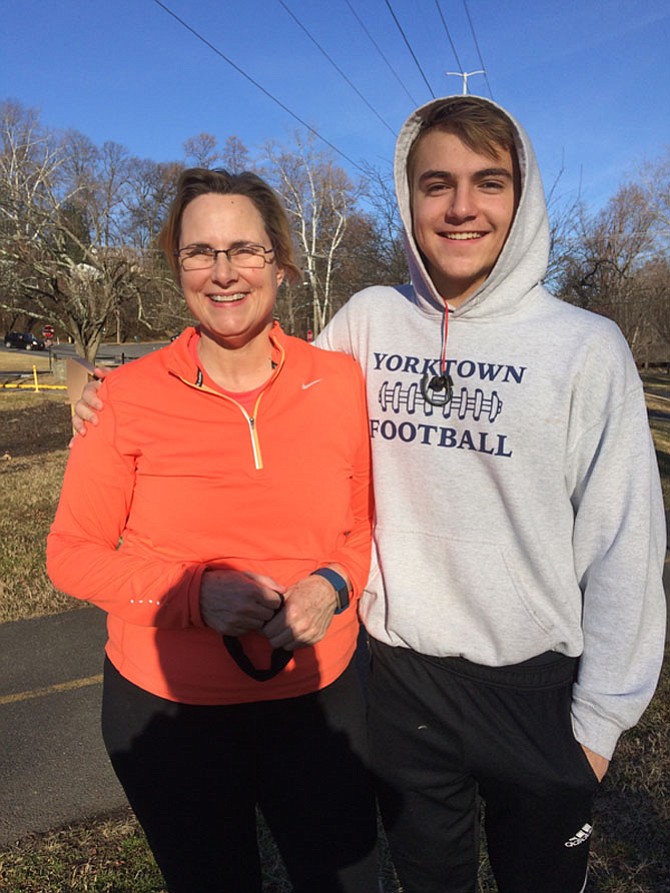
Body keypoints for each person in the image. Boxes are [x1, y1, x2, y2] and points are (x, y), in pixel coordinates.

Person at [72, 97, 667, 893]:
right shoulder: (371, 322)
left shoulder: (587, 348)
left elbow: (627, 545)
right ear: (408, 196)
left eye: (488, 183)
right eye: (436, 184)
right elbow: (250, 364)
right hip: (400, 683)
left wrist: (599, 724)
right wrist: (101, 391)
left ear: (521, 199)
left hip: (533, 689)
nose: (461, 207)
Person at [47, 168, 378, 893]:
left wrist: (332, 584)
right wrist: (193, 595)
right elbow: (70, 555)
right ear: (178, 267)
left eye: (244, 250)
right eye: (200, 252)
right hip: (169, 715)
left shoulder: (341, 383)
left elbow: (363, 527)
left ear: (281, 262)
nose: (223, 272)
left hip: (321, 702)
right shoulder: (124, 399)